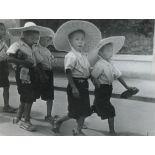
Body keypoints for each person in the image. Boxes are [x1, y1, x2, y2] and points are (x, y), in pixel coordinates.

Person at [52, 20, 102, 135]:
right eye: (77, 39)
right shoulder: (70, 56)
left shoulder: (84, 56)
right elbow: (68, 71)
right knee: (74, 112)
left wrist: (94, 80)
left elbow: (87, 70)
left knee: (84, 110)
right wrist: (73, 87)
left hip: (84, 85)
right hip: (75, 84)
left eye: (82, 39)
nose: (80, 42)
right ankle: (58, 121)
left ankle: (78, 130)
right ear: (70, 41)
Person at [91, 36, 138, 135]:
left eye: (111, 50)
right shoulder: (99, 64)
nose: (111, 53)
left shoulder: (111, 64)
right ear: (100, 53)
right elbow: (93, 76)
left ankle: (81, 117)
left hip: (108, 89)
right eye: (108, 51)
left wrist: (127, 87)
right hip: (101, 90)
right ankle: (112, 131)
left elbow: (118, 76)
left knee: (95, 108)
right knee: (110, 111)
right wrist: (96, 82)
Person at [7, 22, 47, 131]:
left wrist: (42, 74)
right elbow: (9, 58)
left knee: (28, 96)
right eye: (31, 34)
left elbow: (38, 62)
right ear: (23, 34)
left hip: (33, 74)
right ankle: (26, 120)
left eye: (36, 34)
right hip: (22, 74)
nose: (35, 36)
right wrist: (23, 62)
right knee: (28, 96)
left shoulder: (34, 47)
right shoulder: (17, 45)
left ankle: (18, 117)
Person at [38, 27, 56, 123]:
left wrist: (52, 60)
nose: (48, 41)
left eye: (48, 39)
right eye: (45, 39)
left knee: (50, 95)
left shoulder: (47, 50)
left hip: (49, 72)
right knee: (33, 95)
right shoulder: (37, 49)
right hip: (41, 73)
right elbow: (38, 62)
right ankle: (25, 112)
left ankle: (48, 115)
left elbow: (51, 60)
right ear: (40, 39)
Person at [0, 21, 17, 113]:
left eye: (4, 29)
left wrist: (13, 64)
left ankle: (6, 105)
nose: (3, 31)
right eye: (1, 29)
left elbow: (8, 54)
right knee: (5, 86)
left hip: (3, 66)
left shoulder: (3, 42)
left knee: (6, 86)